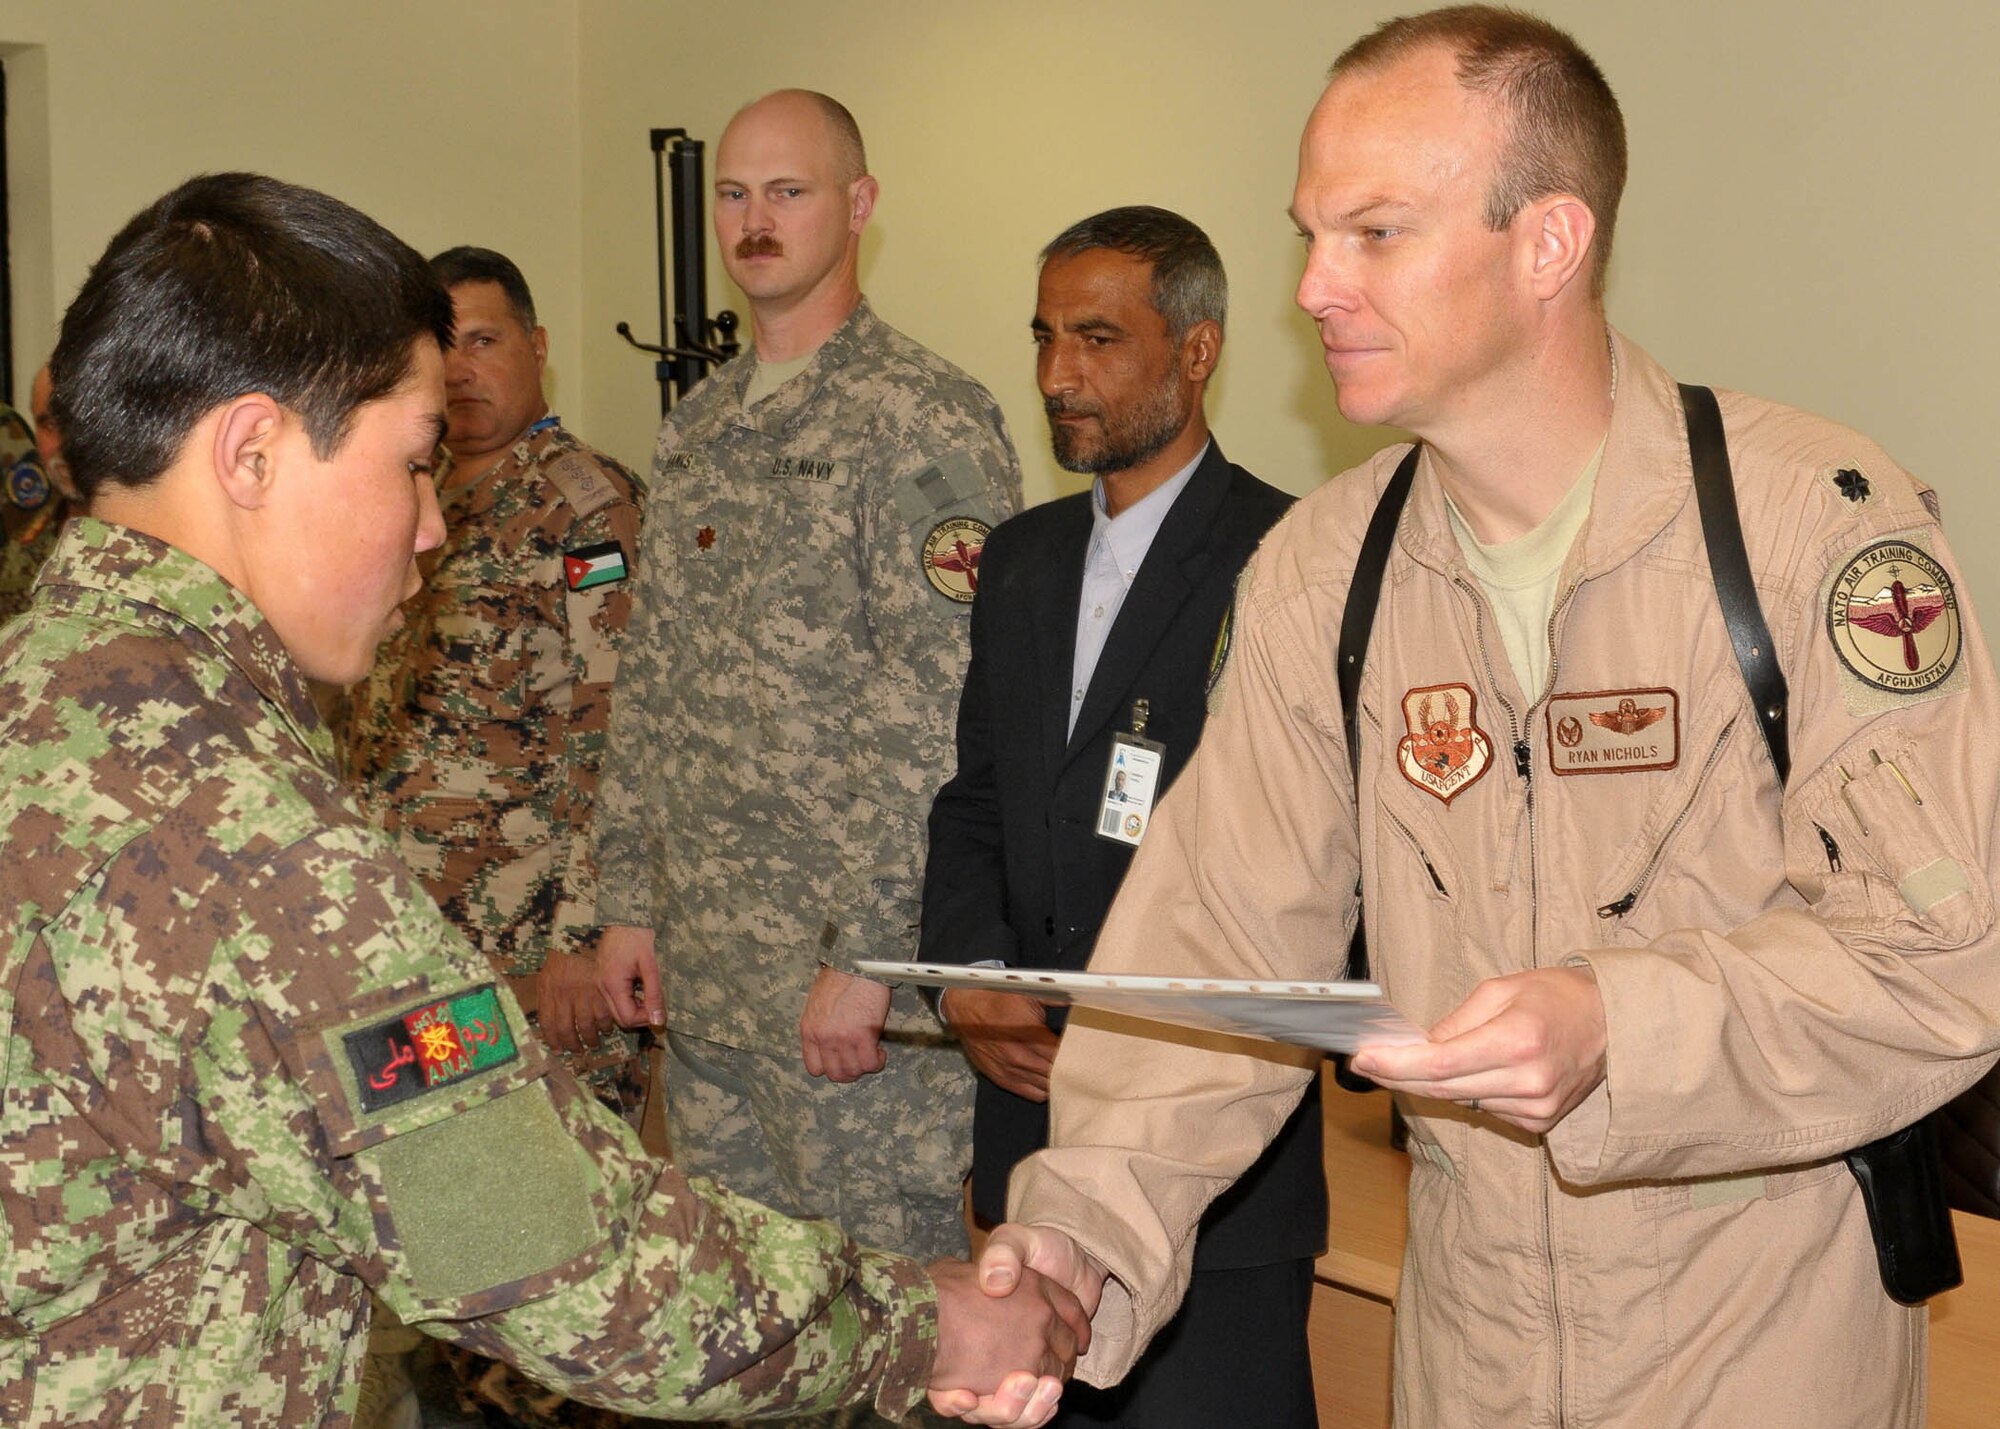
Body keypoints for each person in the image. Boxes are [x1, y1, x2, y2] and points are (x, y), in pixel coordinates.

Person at [978, 9, 2000, 1428]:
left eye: (1376, 234)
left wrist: (1617, 1024)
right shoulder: (1327, 575)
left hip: (1758, 1345)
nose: (1314, 289)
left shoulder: (1806, 527)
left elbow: (1949, 961)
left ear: (1549, 245)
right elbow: (1216, 946)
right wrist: (1083, 1239)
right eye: (1309, 235)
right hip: (1472, 1352)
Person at [0, 170, 1084, 1429]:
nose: (429, 528)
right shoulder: (249, 845)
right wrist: (937, 1321)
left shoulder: (43, 690)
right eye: (411, 467)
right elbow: (553, 1254)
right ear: (251, 452)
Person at [592, 91, 1019, 1299]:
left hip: (844, 1006)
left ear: (857, 206)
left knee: (883, 1326)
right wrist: (630, 897)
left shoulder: (921, 419)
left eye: (788, 191)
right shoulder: (696, 429)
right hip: (710, 983)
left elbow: (943, 706)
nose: (754, 219)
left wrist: (877, 955)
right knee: (742, 1332)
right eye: (733, 193)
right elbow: (654, 678)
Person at [921, 206, 1320, 1429]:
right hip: (1029, 1122)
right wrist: (971, 975)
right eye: (1043, 337)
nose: (1056, 374)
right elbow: (976, 795)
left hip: (1212, 1160)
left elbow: (1311, 867)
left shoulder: (1287, 554)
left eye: (1096, 338)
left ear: (1195, 351)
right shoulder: (1026, 557)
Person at [336, 247, 646, 1427]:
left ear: (535, 346)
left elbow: (614, 728)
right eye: (442, 346)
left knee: (547, 1293)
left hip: (529, 966)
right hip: (422, 961)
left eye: (486, 340)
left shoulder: (581, 501)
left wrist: (579, 935)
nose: (464, 370)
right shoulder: (404, 500)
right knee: (445, 1270)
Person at [0, 366, 77, 623]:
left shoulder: (154, 541)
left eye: (75, 422)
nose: (62, 443)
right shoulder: (23, 545)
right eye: (48, 424)